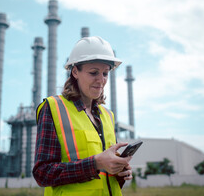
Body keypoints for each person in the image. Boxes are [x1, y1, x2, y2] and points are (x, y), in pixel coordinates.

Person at [33, 36, 133, 196]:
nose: (101, 80)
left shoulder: (107, 116)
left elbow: (103, 178)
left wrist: (119, 172)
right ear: (75, 72)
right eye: (93, 72)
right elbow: (42, 174)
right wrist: (95, 163)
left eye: (105, 73)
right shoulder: (53, 108)